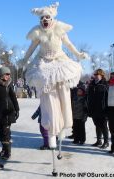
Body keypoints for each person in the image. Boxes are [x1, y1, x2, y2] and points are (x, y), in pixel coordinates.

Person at [23, 2, 89, 149]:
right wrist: (24, 60)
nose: (44, 20)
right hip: (43, 64)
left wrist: (78, 54)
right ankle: (51, 130)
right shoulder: (38, 33)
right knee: (48, 97)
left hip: (59, 61)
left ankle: (62, 127)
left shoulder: (59, 29)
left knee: (63, 95)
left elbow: (69, 45)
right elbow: (31, 49)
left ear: (52, 18)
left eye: (47, 17)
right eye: (42, 18)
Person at [0, 66, 19, 160]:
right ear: (2, 74)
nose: (8, 76)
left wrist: (17, 109)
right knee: (1, 133)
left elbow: (13, 97)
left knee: (6, 132)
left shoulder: (9, 84)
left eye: (9, 74)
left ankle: (7, 152)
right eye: (7, 74)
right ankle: (4, 149)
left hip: (9, 112)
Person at [88, 69, 109, 149]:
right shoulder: (92, 84)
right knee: (97, 125)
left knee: (103, 126)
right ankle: (99, 140)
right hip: (94, 109)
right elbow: (88, 97)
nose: (96, 76)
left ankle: (106, 142)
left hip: (102, 109)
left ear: (102, 75)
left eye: (97, 75)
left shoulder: (105, 84)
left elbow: (108, 97)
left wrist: (107, 109)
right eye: (95, 74)